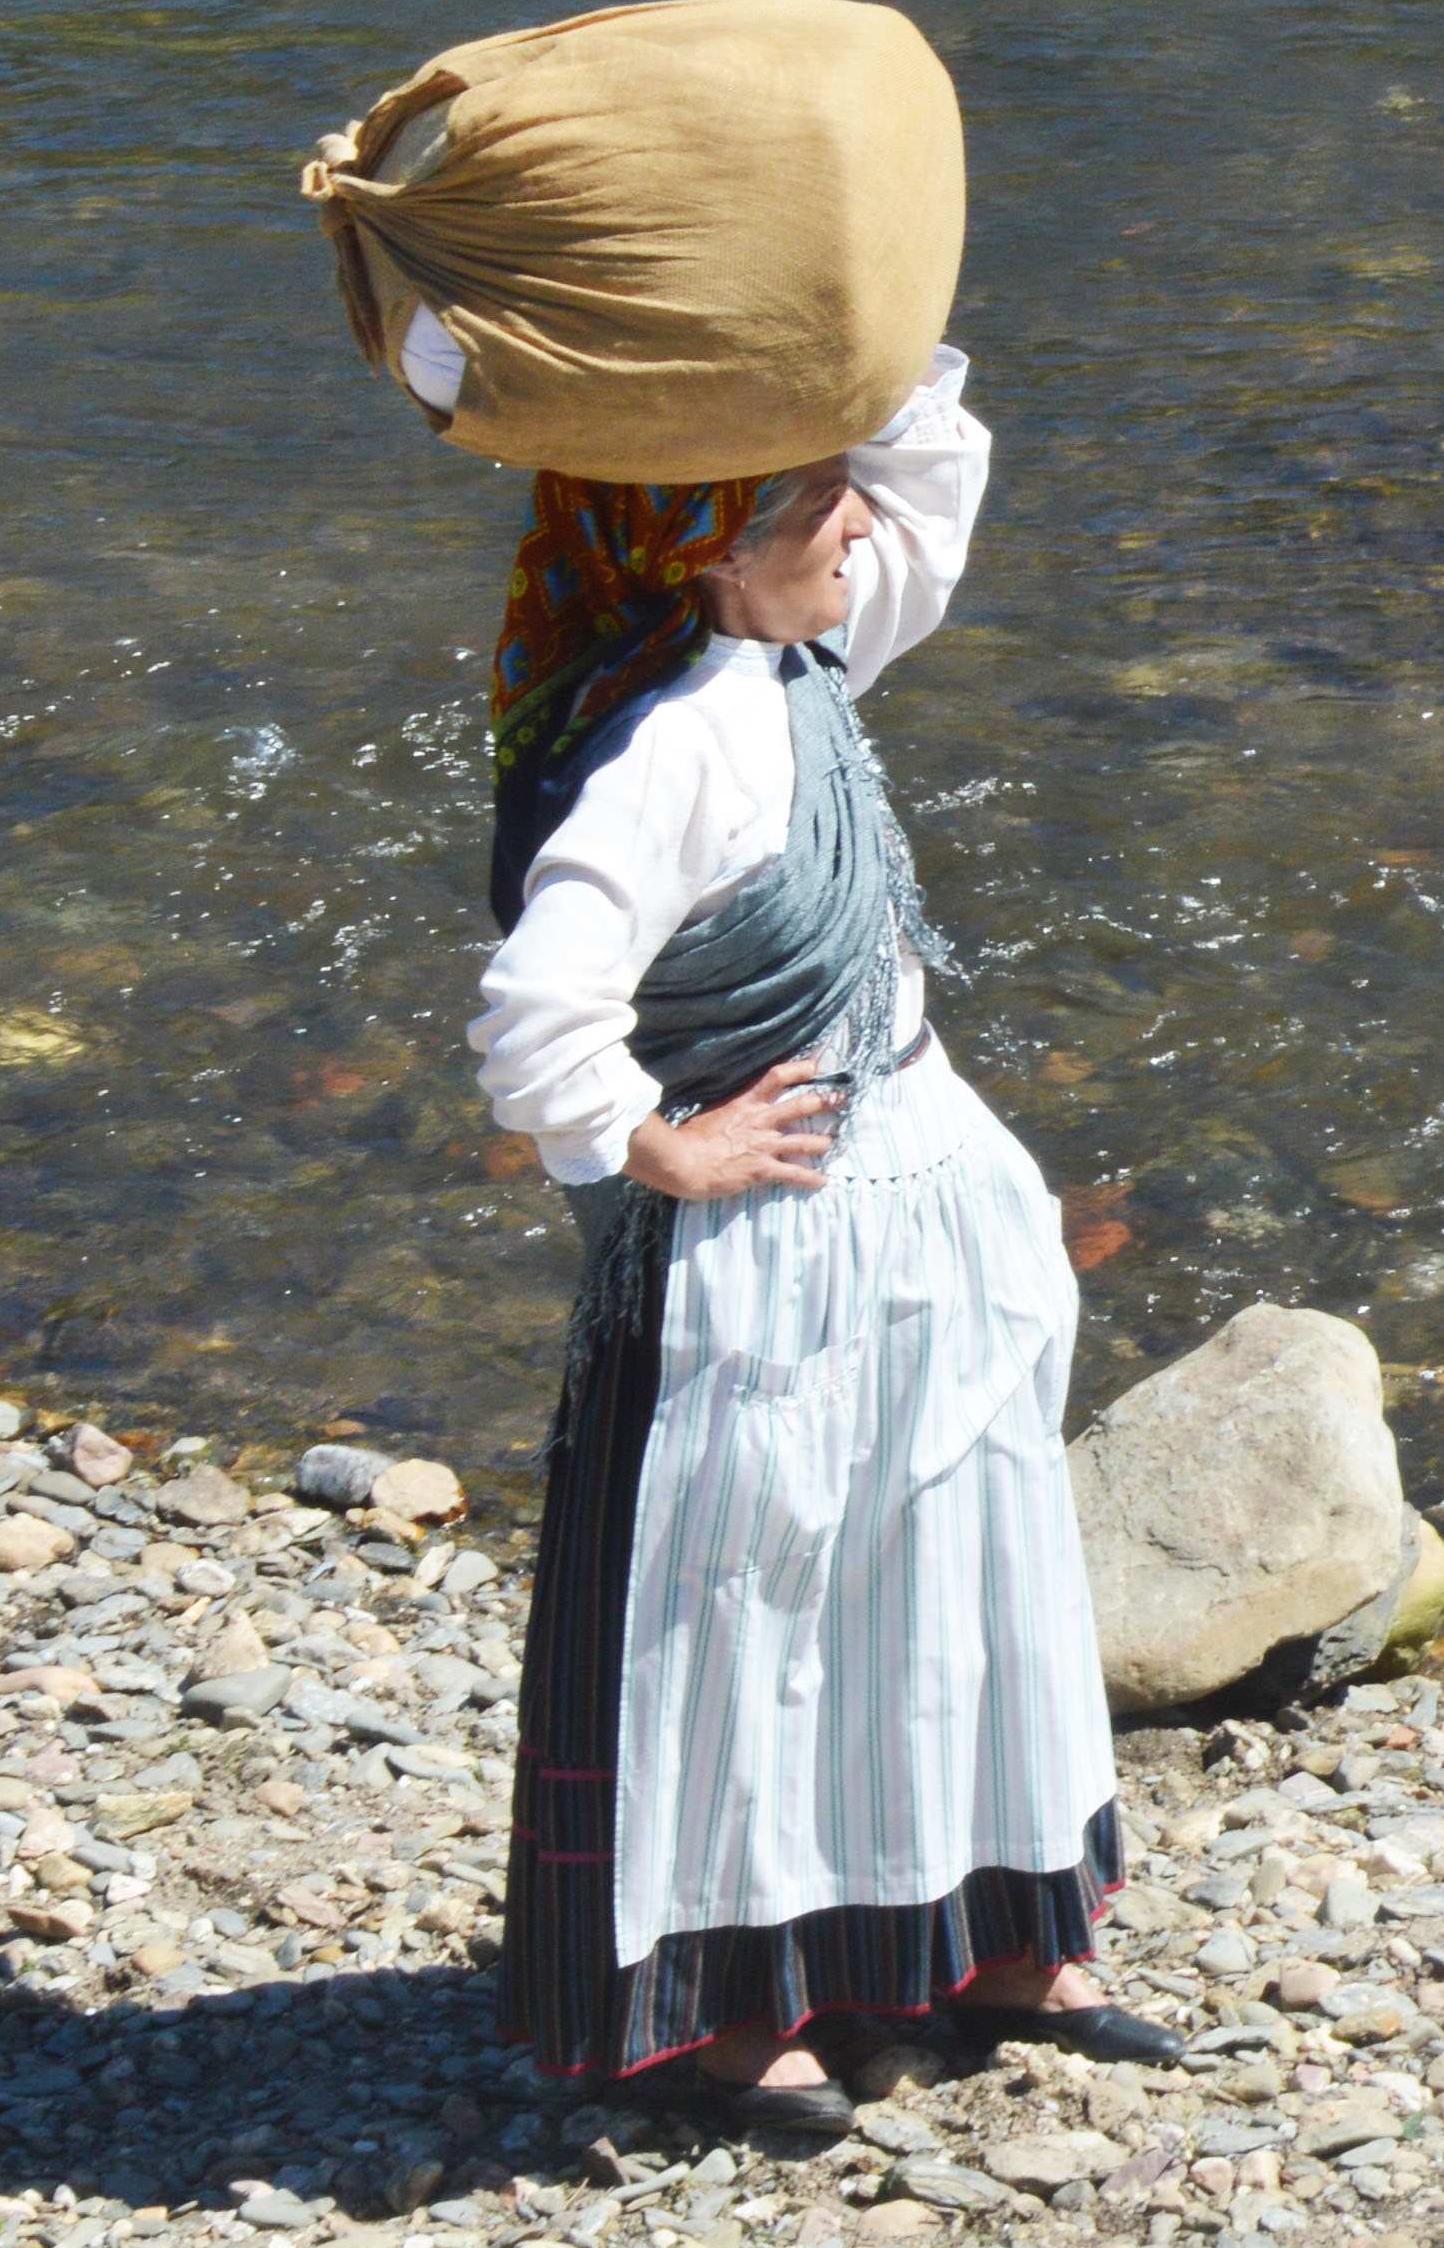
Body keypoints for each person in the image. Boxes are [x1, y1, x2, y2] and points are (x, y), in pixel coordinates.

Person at [471, 352, 1169, 2145]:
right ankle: (731, 2012)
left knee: (956, 1572)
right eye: (807, 504)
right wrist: (659, 1147)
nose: (851, 521)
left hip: (920, 1194)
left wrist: (873, 335)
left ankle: (1007, 1943)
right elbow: (541, 1011)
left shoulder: (797, 656)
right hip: (769, 1260)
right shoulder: (670, 741)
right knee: (758, 1610)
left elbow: (926, 494)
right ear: (710, 556)